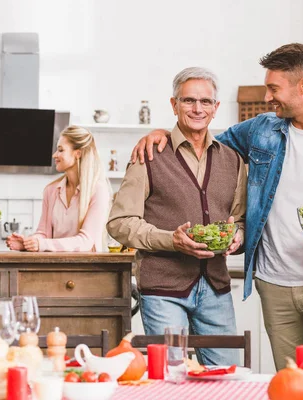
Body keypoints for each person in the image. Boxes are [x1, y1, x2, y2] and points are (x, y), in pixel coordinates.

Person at [130, 44, 303, 371]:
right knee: (290, 383)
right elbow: (200, 140)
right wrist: (162, 134)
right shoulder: (260, 130)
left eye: (274, 88)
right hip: (275, 285)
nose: (268, 97)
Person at [107, 67, 247, 366]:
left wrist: (239, 235)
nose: (198, 108)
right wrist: (170, 240)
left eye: (206, 102)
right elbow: (119, 222)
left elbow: (240, 218)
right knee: (172, 377)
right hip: (163, 289)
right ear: (174, 105)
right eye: (188, 101)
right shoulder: (148, 155)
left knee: (226, 373)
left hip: (216, 286)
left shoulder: (232, 160)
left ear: (215, 108)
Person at [6, 126, 110, 252]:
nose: (55, 155)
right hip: (54, 267)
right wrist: (29, 243)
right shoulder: (51, 190)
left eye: (61, 150)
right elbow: (43, 233)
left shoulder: (98, 190)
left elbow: (86, 241)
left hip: (87, 269)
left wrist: (42, 244)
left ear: (78, 153)